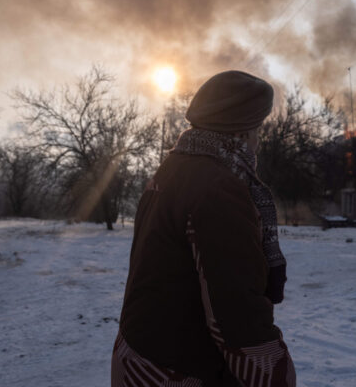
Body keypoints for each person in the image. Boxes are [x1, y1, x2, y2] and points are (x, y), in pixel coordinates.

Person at [111, 70, 295, 387]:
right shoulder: (219, 188)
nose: (258, 140)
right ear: (241, 131)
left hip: (139, 356)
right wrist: (276, 373)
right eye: (257, 128)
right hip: (176, 370)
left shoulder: (172, 170)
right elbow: (236, 313)